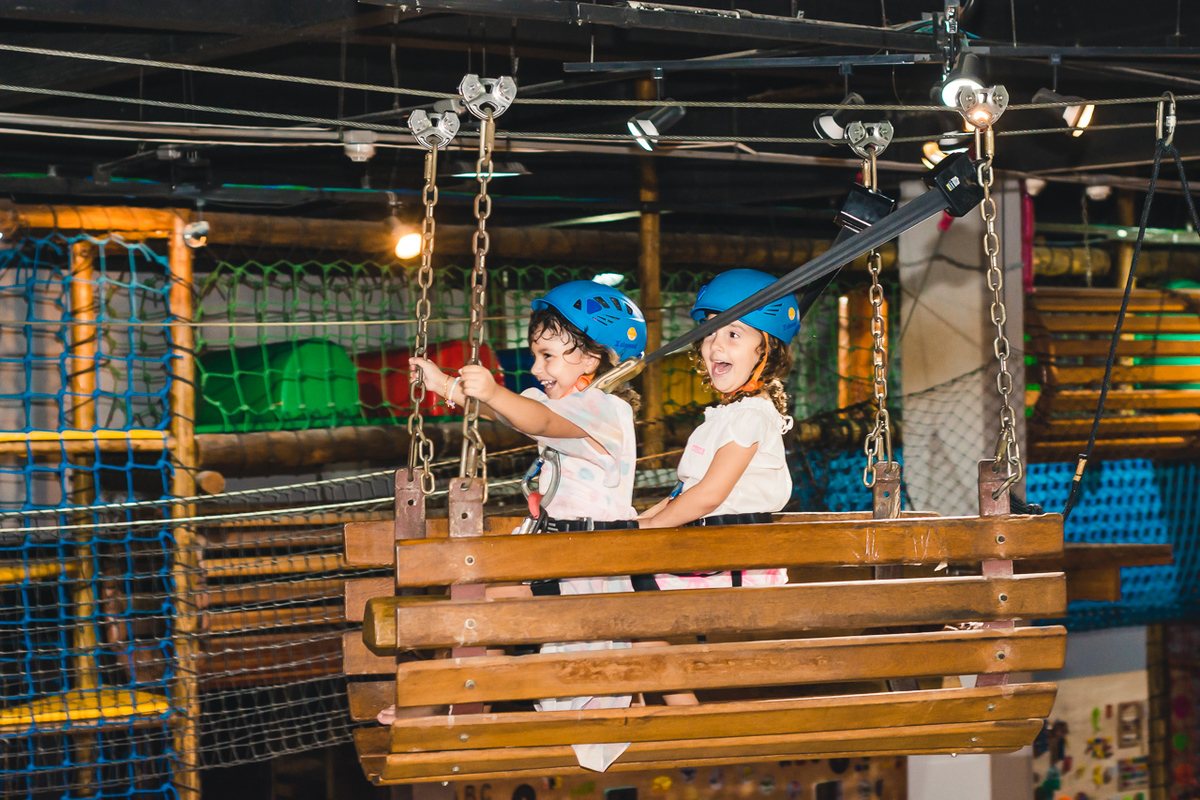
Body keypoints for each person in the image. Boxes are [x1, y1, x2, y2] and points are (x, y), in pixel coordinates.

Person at [410, 279, 646, 772]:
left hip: (585, 570)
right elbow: (534, 415)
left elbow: (535, 421)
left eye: (548, 356)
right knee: (475, 605)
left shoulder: (607, 410)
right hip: (559, 559)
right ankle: (443, 704)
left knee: (477, 609)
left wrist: (490, 390)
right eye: (536, 357)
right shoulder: (575, 405)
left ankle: (436, 706)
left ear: (592, 358)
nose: (537, 368)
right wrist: (448, 386)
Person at [638, 268, 800, 590]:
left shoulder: (751, 416)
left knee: (621, 585)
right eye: (710, 332)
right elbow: (685, 492)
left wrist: (651, 526)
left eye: (733, 334)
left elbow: (709, 495)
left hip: (735, 564)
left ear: (766, 351)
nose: (715, 346)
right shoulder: (730, 414)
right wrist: (637, 521)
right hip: (716, 554)